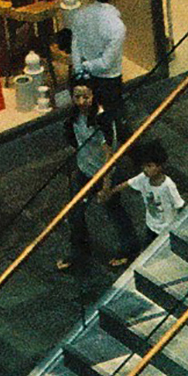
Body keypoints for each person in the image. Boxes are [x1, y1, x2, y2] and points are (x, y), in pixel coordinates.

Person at [58, 82, 138, 272]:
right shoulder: (74, 116)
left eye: (85, 97)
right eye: (77, 97)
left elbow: (109, 154)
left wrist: (106, 185)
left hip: (104, 173)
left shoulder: (101, 120)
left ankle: (129, 247)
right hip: (84, 170)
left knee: (114, 210)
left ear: (93, 96)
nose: (81, 101)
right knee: (75, 213)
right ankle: (79, 250)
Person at [70, 0, 127, 120]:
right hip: (109, 81)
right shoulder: (116, 26)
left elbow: (75, 45)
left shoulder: (80, 15)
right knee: (112, 119)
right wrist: (87, 66)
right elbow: (107, 63)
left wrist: (80, 69)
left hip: (86, 77)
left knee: (89, 117)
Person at [121, 141, 186, 242]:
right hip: (151, 225)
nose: (146, 169)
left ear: (159, 166)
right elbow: (128, 183)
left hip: (166, 228)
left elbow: (179, 204)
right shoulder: (143, 178)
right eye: (144, 166)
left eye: (149, 166)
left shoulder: (168, 185)